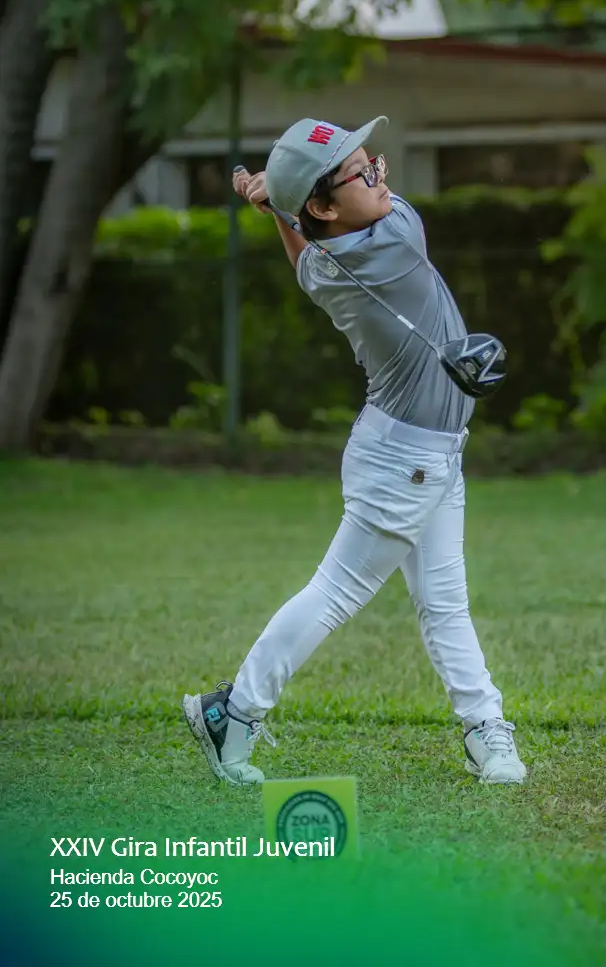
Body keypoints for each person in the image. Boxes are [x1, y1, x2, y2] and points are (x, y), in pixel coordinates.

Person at [182, 116, 526, 786]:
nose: (380, 175)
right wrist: (278, 205)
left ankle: (484, 727)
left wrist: (279, 209)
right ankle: (235, 712)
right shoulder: (398, 236)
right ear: (324, 207)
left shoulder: (328, 264)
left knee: (444, 602)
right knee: (336, 594)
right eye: (362, 172)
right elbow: (318, 233)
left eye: (374, 161)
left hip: (418, 451)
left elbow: (304, 255)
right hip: (405, 463)